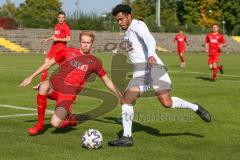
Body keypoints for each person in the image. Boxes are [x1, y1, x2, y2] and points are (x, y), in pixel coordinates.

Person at [108, 4, 211, 147]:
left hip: (154, 68)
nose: (119, 22)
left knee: (167, 103)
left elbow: (149, 39)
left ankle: (195, 107)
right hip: (141, 73)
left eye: (121, 19)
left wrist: (150, 55)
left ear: (129, 16)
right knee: (126, 100)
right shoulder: (128, 33)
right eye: (117, 20)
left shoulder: (138, 25)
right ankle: (127, 137)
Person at [20, 31, 122, 135]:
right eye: (83, 42)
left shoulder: (94, 62)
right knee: (43, 86)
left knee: (55, 123)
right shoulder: (67, 51)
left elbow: (107, 82)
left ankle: (71, 120)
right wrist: (31, 77)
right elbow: (48, 64)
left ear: (92, 43)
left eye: (88, 42)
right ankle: (39, 125)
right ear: (80, 42)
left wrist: (121, 96)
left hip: (68, 94)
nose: (86, 44)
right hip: (55, 86)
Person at [34, 11, 71, 89]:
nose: (61, 19)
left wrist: (57, 38)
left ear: (64, 18)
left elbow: (68, 39)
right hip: (53, 48)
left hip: (61, 49)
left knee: (63, 69)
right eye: (59, 17)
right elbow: (55, 35)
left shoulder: (66, 27)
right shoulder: (57, 26)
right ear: (57, 18)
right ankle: (41, 84)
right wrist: (47, 39)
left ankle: (68, 85)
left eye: (62, 17)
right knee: (46, 65)